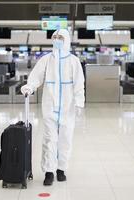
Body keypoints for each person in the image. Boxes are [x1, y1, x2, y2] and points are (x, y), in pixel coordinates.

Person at [21, 29, 85, 186]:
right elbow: (36, 76)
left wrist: (79, 101)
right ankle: (49, 171)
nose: (57, 40)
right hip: (49, 104)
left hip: (67, 105)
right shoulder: (46, 59)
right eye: (55, 37)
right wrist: (30, 87)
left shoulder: (73, 61)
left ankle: (61, 169)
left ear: (67, 40)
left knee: (65, 138)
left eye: (60, 37)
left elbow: (79, 83)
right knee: (50, 139)